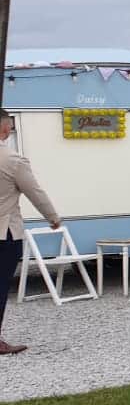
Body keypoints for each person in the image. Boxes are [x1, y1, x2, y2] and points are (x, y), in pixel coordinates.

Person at [0, 108, 62, 355]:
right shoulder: (11, 159)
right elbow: (34, 192)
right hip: (5, 231)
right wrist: (53, 217)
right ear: (5, 128)